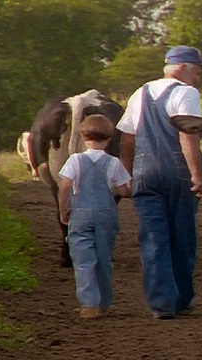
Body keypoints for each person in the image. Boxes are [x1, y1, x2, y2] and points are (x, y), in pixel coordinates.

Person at [116, 45, 202, 319]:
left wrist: (126, 173)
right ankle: (181, 298)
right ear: (182, 67)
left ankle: (161, 303)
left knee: (153, 238)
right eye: (197, 70)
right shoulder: (186, 93)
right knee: (181, 235)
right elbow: (187, 136)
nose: (199, 77)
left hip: (145, 173)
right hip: (177, 172)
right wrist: (196, 174)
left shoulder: (140, 93)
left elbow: (127, 138)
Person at [58, 114, 132, 319]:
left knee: (83, 259)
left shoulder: (75, 160)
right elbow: (123, 190)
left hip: (80, 215)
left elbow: (65, 186)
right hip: (105, 215)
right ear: (109, 139)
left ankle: (89, 303)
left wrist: (63, 208)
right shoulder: (114, 163)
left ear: (83, 137)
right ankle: (103, 301)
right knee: (103, 258)